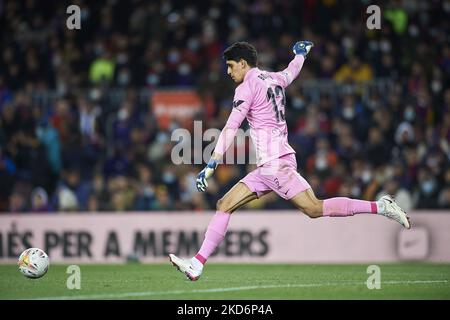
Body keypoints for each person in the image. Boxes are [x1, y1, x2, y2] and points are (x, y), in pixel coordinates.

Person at [169, 41, 410, 281]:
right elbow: (291, 72)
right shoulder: (274, 78)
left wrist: (211, 164)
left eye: (231, 66)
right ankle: (197, 264)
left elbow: (231, 127)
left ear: (243, 63)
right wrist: (300, 54)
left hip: (275, 164)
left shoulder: (246, 88)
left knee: (314, 208)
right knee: (224, 204)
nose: (228, 72)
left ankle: (381, 207)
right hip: (269, 166)